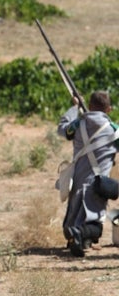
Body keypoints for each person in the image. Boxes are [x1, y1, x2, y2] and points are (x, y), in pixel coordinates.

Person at [57, 91, 119, 257]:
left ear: (90, 106)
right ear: (109, 109)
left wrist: (75, 107)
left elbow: (63, 128)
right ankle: (78, 234)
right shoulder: (114, 130)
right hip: (97, 187)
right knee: (95, 227)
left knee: (73, 218)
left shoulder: (77, 125)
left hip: (77, 184)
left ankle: (77, 238)